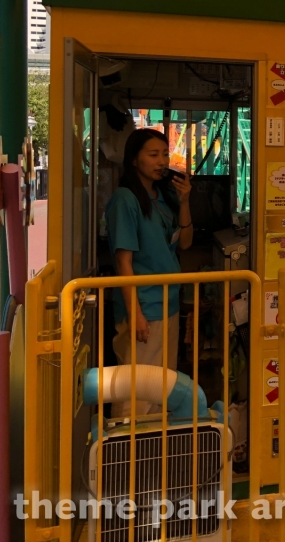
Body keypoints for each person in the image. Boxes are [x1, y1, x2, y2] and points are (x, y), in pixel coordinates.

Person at [106, 128, 193, 413]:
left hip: (168, 303)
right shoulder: (125, 199)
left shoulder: (162, 195)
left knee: (161, 386)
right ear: (134, 160)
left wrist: (184, 201)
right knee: (137, 392)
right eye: (153, 155)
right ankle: (128, 451)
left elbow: (186, 242)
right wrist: (136, 314)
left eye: (165, 154)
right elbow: (124, 263)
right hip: (143, 306)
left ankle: (152, 450)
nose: (161, 161)